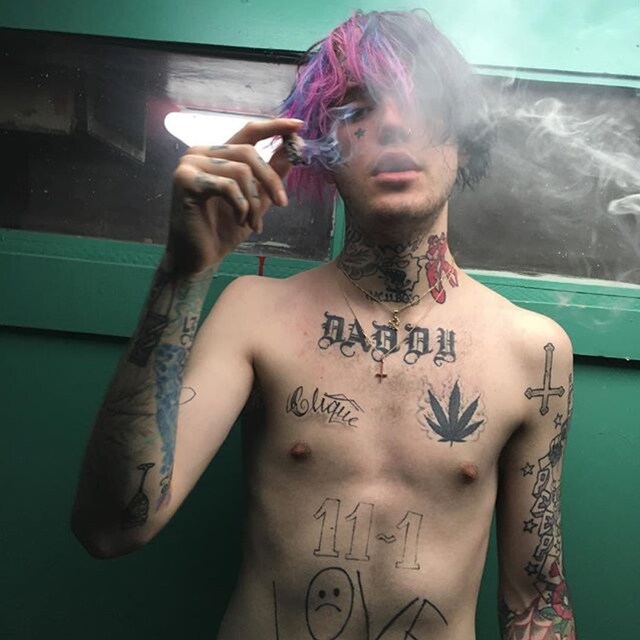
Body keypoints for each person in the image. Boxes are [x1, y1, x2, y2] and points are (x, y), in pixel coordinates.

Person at [71, 9, 577, 640]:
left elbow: (537, 600)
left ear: (465, 138)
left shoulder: (532, 352)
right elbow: (111, 528)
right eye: (357, 109)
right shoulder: (256, 315)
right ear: (320, 150)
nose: (392, 123)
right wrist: (183, 272)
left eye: (423, 100)